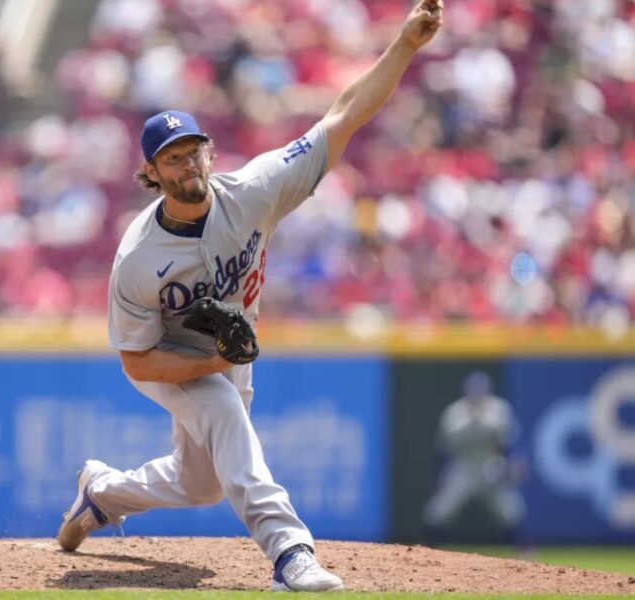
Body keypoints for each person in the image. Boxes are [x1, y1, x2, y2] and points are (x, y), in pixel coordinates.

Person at [58, 0, 443, 592]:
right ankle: (290, 553)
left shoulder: (255, 191)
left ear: (209, 151)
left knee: (203, 483)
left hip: (225, 351)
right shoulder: (137, 258)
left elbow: (341, 118)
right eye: (171, 158)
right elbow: (136, 360)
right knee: (222, 410)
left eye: (193, 150)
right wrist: (215, 362)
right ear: (151, 173)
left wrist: (406, 46)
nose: (187, 163)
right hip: (165, 356)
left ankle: (101, 493)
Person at [422, 372, 526, 544]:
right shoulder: (454, 412)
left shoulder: (499, 409)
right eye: (473, 389)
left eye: (480, 389)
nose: (477, 393)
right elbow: (443, 448)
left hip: (491, 465)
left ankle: (527, 552)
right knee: (440, 510)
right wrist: (438, 474)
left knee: (510, 511)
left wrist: (512, 461)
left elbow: (509, 442)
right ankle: (425, 551)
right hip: (463, 467)